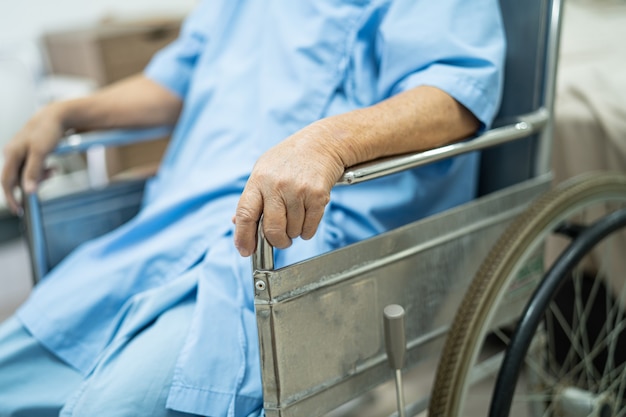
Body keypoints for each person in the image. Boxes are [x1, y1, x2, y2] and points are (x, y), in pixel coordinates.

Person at [0, 0, 505, 415]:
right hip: (175, 226)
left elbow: (455, 96)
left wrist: (328, 144)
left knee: (115, 406)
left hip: (296, 242)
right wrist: (64, 113)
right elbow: (174, 81)